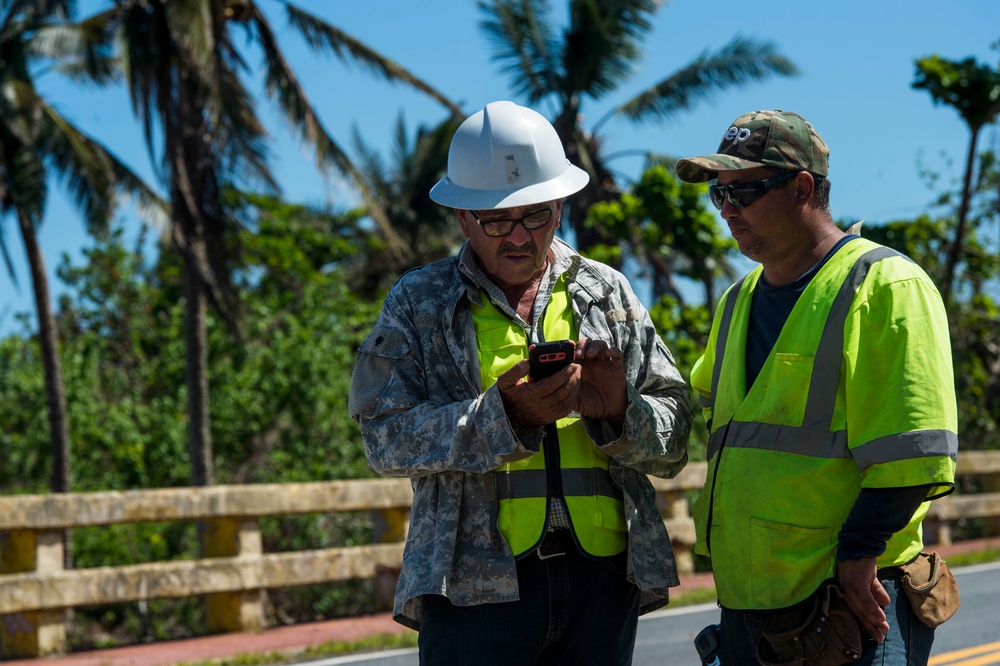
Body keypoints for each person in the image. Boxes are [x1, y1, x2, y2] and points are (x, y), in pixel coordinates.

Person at [349, 100, 692, 665]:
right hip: (473, 587)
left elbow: (676, 437)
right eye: (496, 220)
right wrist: (501, 418)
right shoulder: (419, 302)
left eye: (537, 215)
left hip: (603, 577)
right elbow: (383, 439)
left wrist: (619, 413)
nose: (519, 236)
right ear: (462, 217)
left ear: (559, 206)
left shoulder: (606, 291)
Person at [675, 109, 958, 665]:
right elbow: (707, 405)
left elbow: (915, 456)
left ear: (803, 187)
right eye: (720, 194)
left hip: (849, 601)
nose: (729, 209)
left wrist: (857, 558)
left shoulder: (883, 284)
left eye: (746, 191)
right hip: (751, 603)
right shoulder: (737, 301)